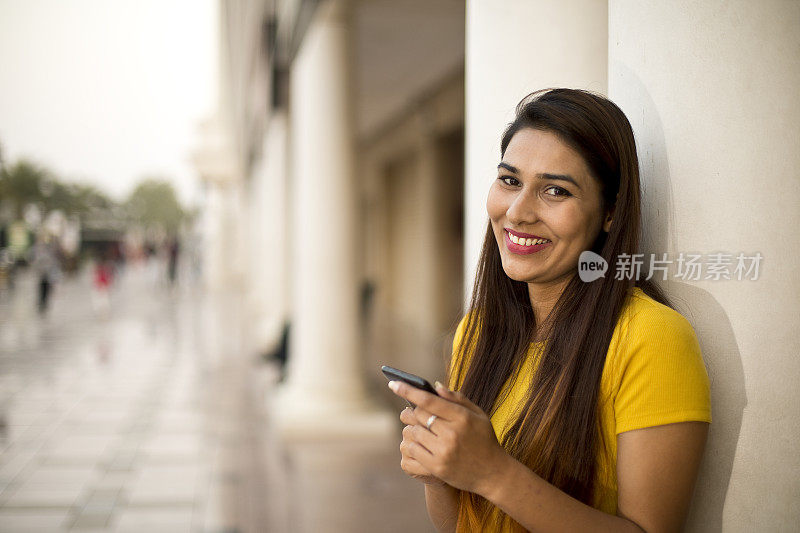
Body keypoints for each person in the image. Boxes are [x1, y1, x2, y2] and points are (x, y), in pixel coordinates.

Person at [388, 88, 711, 532]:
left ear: (610, 213)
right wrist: (440, 474)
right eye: (510, 181)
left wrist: (491, 472)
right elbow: (461, 526)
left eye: (555, 191)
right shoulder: (477, 332)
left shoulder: (651, 338)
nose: (518, 212)